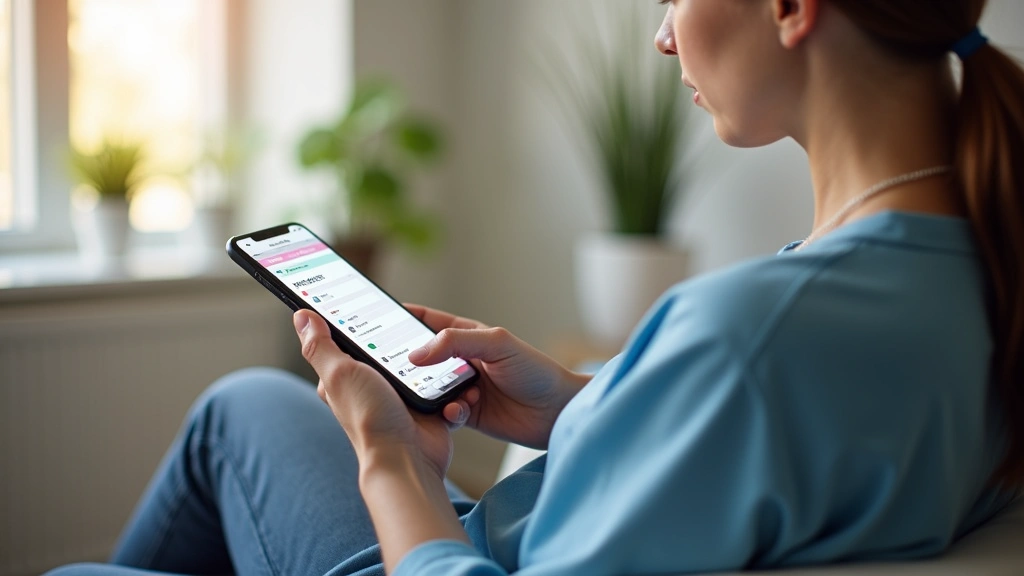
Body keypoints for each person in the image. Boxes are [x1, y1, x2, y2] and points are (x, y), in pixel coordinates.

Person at [47, 0, 1024, 574]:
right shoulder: (979, 269)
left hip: (445, 556)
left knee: (153, 493)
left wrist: (390, 458)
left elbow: (746, 392)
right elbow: (772, 453)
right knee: (245, 402)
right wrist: (581, 406)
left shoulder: (751, 335)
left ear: (789, 7)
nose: (664, 38)